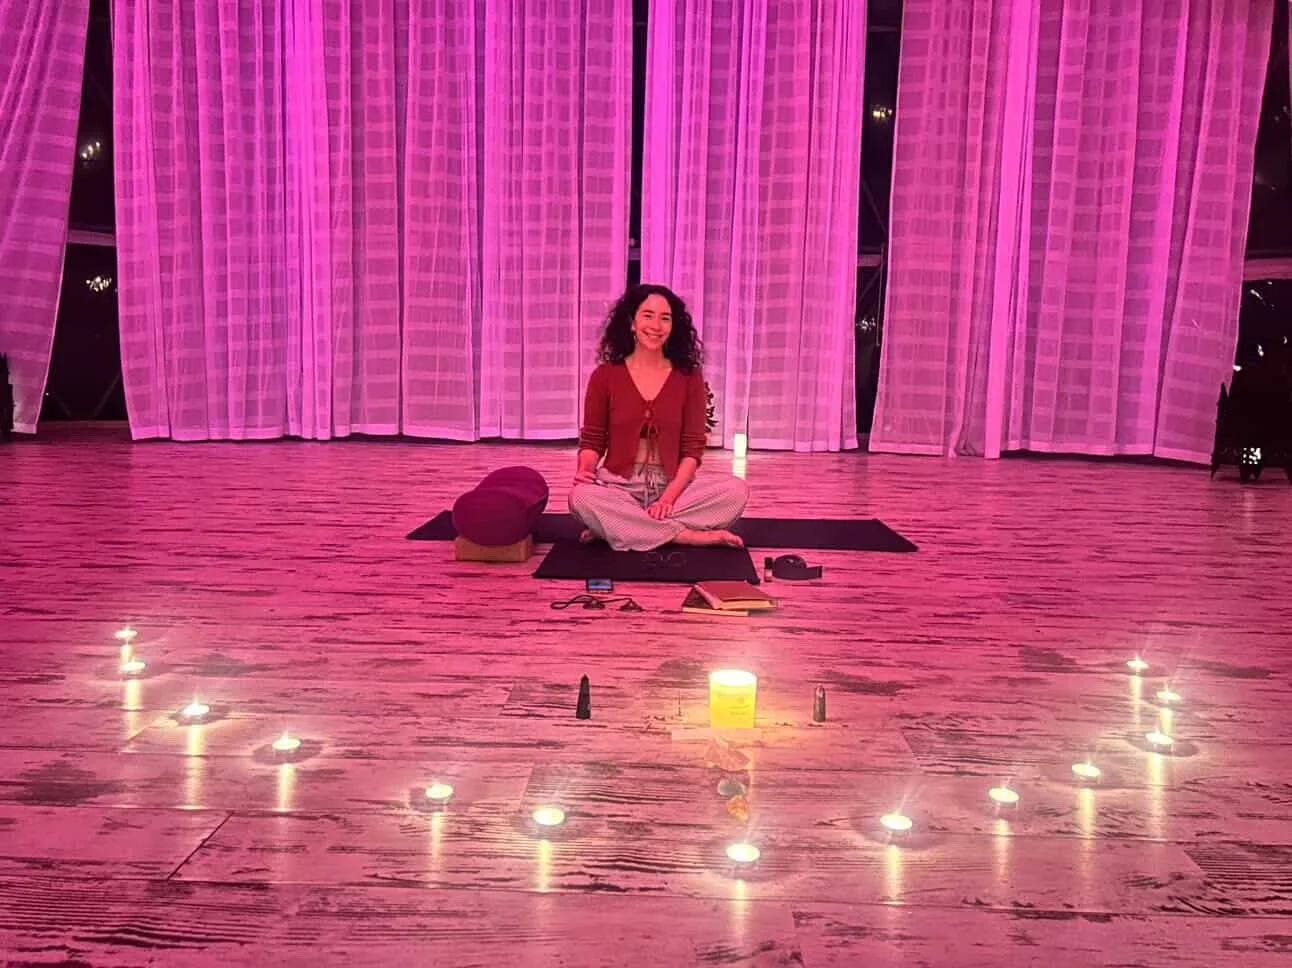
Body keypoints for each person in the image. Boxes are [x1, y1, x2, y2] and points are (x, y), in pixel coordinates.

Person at [568, 284, 750, 551]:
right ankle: (683, 535)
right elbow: (593, 440)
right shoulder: (605, 376)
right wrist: (584, 470)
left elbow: (691, 450)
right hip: (618, 488)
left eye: (665, 318)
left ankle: (620, 529)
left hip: (674, 487)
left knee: (736, 492)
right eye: (647, 315)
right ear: (632, 322)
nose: (656, 325)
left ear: (673, 327)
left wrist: (668, 499)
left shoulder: (689, 377)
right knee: (580, 498)